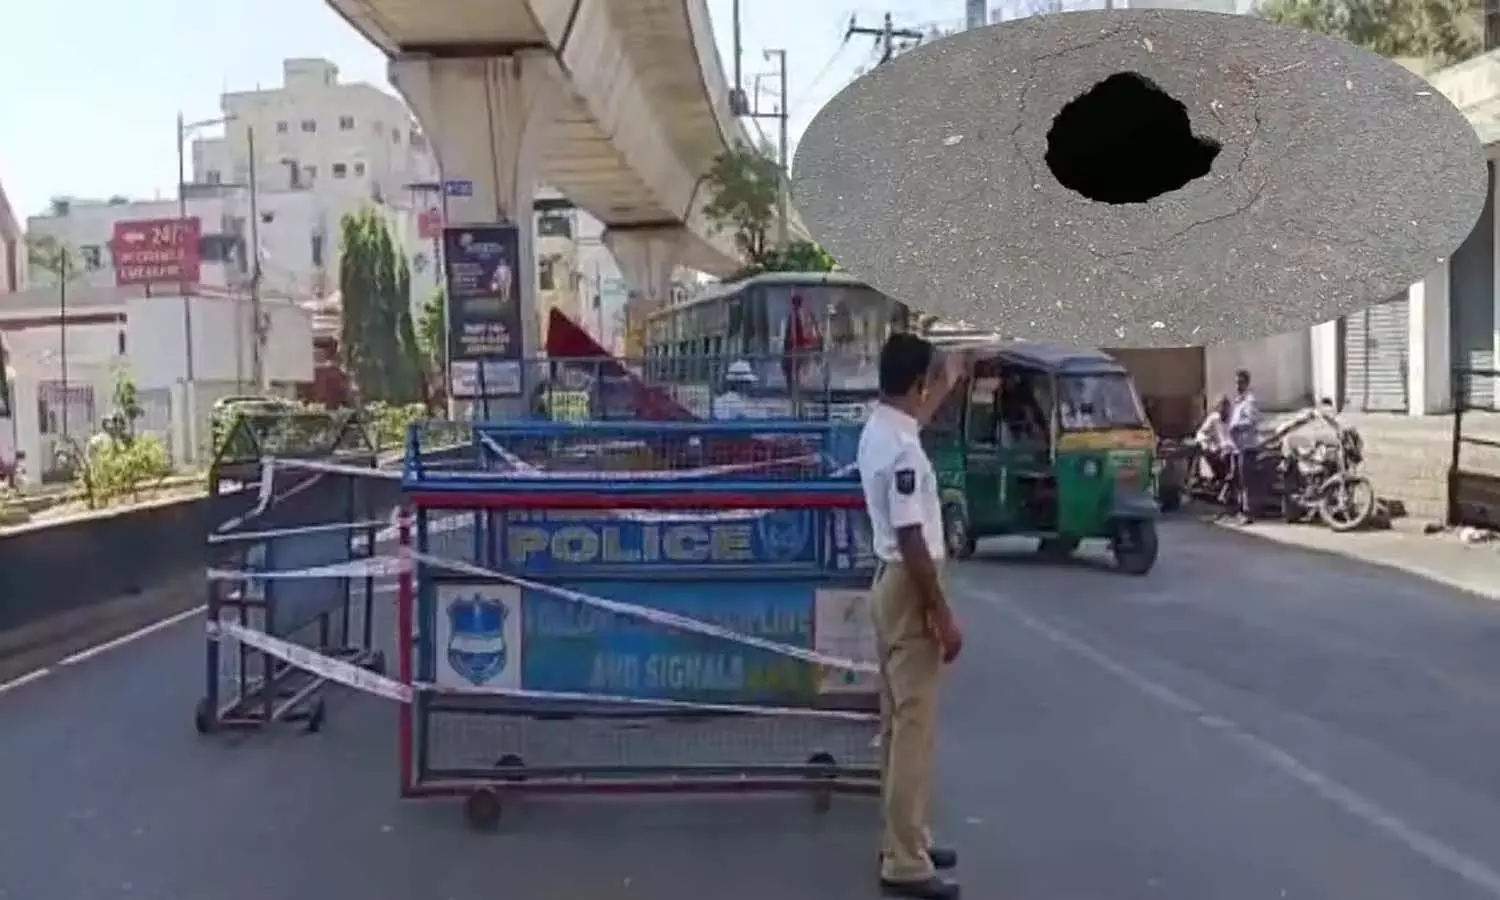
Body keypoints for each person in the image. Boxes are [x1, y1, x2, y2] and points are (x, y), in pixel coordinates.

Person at [856, 333, 968, 900]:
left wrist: (949, 376)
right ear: (916, 383)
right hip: (909, 582)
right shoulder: (901, 449)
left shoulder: (883, 429)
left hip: (888, 578)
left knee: (897, 721)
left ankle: (907, 836)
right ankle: (904, 860)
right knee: (913, 728)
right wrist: (941, 614)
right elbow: (912, 537)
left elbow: (919, 409)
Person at [1228, 369, 1262, 523]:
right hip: (1238, 447)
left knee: (1247, 482)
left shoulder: (1249, 401)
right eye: (1236, 383)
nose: (1237, 386)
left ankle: (1248, 513)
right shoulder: (1239, 401)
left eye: (1240, 383)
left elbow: (1252, 421)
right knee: (1240, 481)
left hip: (1248, 447)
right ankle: (1241, 511)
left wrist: (1237, 427)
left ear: (1247, 383)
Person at [1194, 395, 1235, 495]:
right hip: (1218, 450)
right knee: (1204, 451)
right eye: (1221, 407)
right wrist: (1206, 444)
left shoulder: (1234, 419)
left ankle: (1226, 486)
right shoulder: (1214, 418)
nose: (1223, 410)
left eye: (1225, 407)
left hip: (1232, 450)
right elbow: (1201, 433)